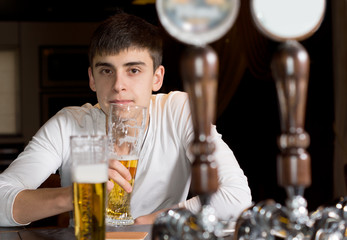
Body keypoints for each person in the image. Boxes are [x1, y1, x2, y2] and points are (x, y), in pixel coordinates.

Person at [0, 12, 252, 227]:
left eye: (133, 70)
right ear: (92, 78)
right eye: (106, 71)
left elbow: (236, 196)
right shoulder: (68, 123)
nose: (118, 85)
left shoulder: (179, 110)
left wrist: (149, 222)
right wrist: (75, 196)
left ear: (157, 78)